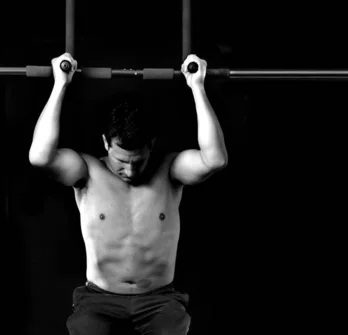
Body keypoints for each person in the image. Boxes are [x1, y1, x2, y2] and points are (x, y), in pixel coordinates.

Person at [28, 52, 228, 335]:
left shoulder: (169, 170)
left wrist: (197, 86)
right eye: (122, 162)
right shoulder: (87, 171)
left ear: (151, 146)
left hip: (159, 300)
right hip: (99, 299)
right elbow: (40, 156)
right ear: (106, 143)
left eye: (139, 161)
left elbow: (214, 159)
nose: (131, 172)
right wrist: (60, 84)